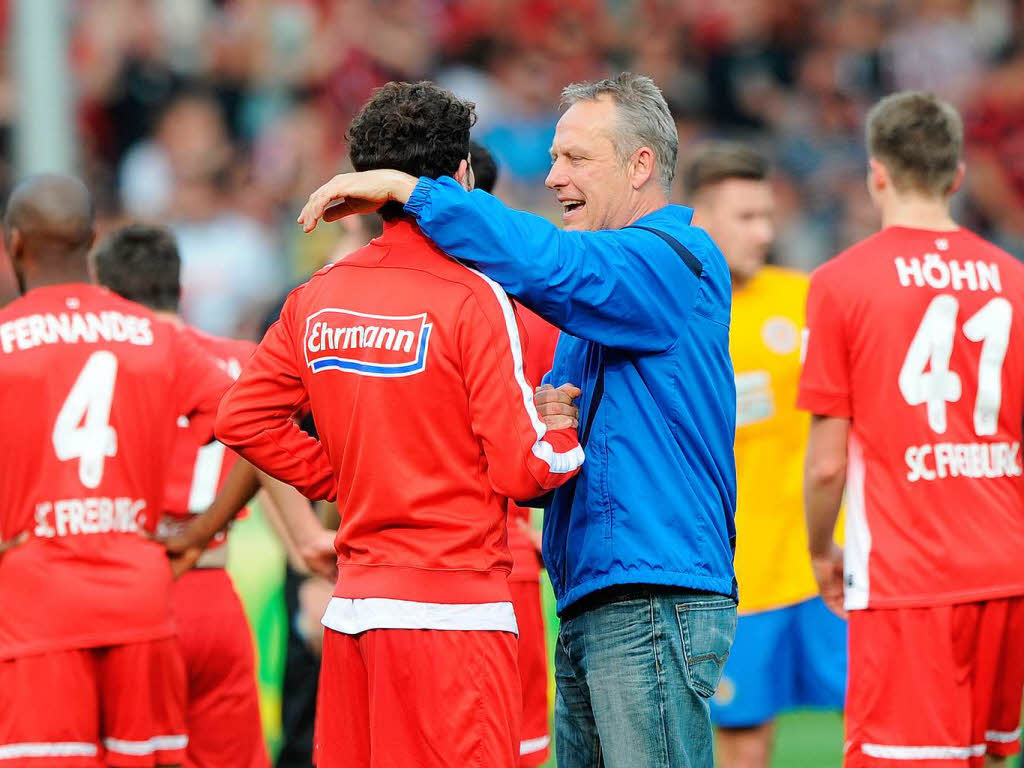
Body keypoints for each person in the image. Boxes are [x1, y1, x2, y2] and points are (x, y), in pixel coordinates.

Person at [298, 71, 738, 768]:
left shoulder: (672, 260)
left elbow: (552, 265)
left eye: (575, 158)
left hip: (652, 594)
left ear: (641, 164)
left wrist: (417, 191)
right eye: (556, 156)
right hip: (601, 590)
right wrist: (546, 422)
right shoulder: (604, 302)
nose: (554, 174)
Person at [215, 81, 585, 768]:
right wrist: (564, 433)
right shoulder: (474, 296)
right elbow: (523, 469)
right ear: (463, 177)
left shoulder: (314, 296)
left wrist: (340, 479)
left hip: (355, 614)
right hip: (454, 613)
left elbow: (242, 417)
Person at [799, 90, 1024, 768]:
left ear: (876, 172)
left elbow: (827, 464)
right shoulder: (1015, 280)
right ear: (957, 176)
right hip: (1006, 569)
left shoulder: (842, 282)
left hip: (907, 576)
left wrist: (819, 549)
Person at [0, 175, 231, 767]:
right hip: (141, 596)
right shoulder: (154, 336)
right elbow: (254, 420)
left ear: (15, 243)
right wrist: (200, 531)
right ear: (91, 240)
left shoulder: (4, 341)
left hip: (37, 602)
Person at [91, 224, 336, 768]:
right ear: (177, 289)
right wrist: (310, 548)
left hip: (139, 594)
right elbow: (271, 461)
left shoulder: (107, 363)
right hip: (218, 600)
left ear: (106, 298)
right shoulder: (241, 360)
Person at [685, 143, 846, 768]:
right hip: (739, 578)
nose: (767, 231)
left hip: (832, 568)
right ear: (699, 219)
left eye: (768, 215)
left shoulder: (809, 297)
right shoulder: (679, 312)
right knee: (746, 739)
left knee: (878, 722)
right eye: (747, 217)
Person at [473, 138, 558, 766]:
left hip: (390, 567)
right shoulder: (535, 312)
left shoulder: (354, 298)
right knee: (518, 744)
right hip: (506, 558)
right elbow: (559, 434)